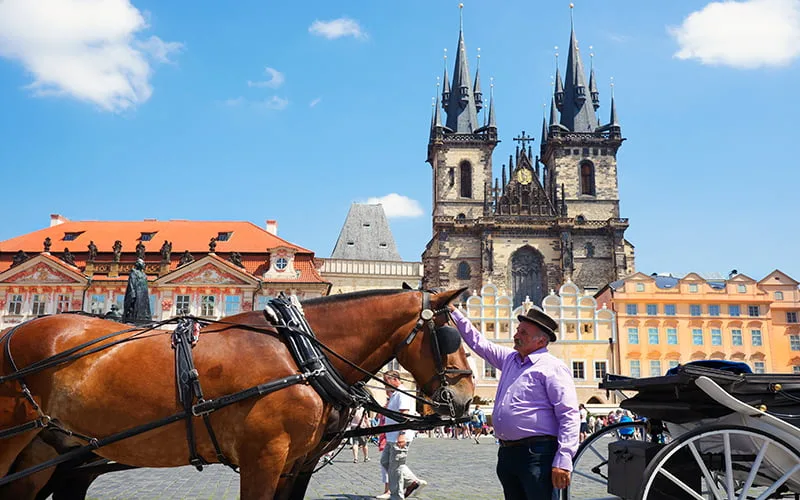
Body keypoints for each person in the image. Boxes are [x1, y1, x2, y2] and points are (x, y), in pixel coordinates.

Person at [450, 304, 580, 499]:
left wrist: (563, 459)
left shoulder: (552, 367)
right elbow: (478, 342)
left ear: (541, 340)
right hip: (507, 453)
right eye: (518, 330)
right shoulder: (510, 359)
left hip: (537, 454)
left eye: (523, 333)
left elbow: (568, 414)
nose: (516, 335)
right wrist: (454, 313)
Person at [378, 370, 427, 499]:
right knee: (385, 462)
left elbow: (404, 415)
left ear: (394, 379)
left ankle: (397, 496)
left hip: (398, 437)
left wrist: (402, 434)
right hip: (391, 436)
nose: (384, 384)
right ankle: (412, 482)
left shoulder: (402, 394)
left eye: (386, 381)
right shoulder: (395, 394)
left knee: (396, 468)